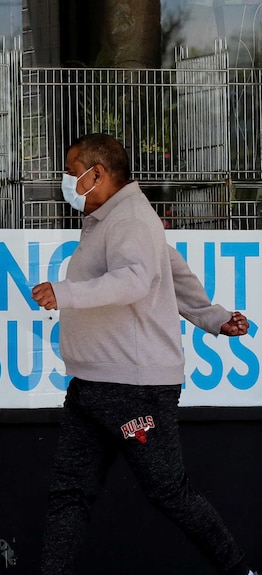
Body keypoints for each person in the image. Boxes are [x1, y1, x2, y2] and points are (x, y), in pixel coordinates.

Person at [30, 133, 255, 575]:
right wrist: (214, 316)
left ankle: (238, 570)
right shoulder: (111, 218)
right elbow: (171, 269)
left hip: (134, 392)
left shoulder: (131, 219)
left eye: (73, 174)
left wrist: (64, 293)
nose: (67, 183)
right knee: (69, 494)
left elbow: (135, 280)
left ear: (98, 173)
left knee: (170, 492)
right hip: (91, 389)